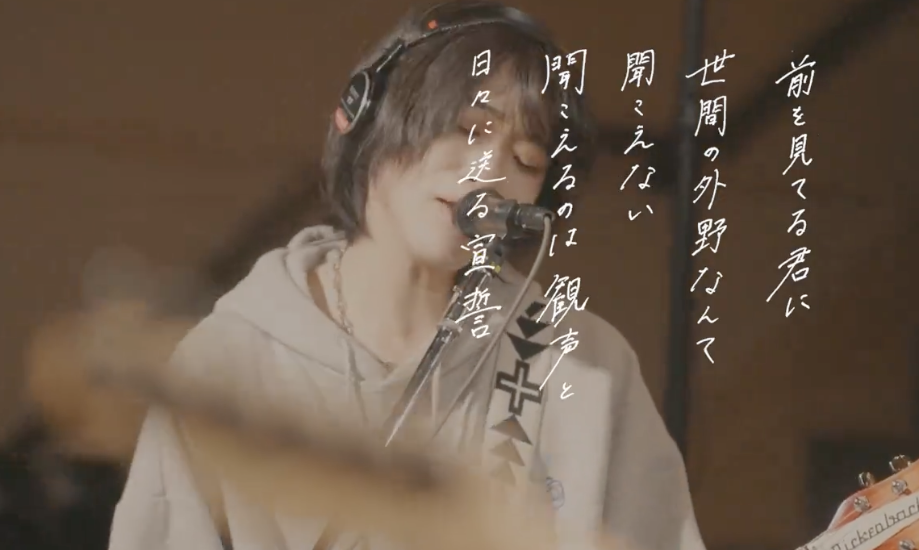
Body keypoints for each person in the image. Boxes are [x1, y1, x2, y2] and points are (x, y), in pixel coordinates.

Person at [107, 2, 707, 550]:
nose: (490, 170)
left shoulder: (586, 366)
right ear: (368, 115)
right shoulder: (225, 362)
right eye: (469, 128)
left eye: (526, 160)